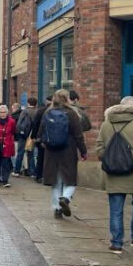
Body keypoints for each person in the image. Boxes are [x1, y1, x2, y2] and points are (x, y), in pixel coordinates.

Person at [95, 96, 133, 254]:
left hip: (113, 172)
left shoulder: (107, 124)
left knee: (115, 209)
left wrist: (109, 159)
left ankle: (116, 243)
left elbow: (99, 148)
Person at [37, 90, 87, 219]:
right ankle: (65, 198)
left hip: (51, 151)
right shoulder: (72, 114)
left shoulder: (47, 113)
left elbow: (41, 132)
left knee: (56, 182)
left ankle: (57, 209)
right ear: (67, 99)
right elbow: (78, 135)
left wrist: (43, 142)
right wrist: (83, 151)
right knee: (70, 179)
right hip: (68, 150)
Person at [30, 96, 52, 183]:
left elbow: (35, 124)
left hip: (42, 138)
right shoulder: (56, 110)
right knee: (50, 158)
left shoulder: (41, 110)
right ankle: (48, 177)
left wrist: (34, 136)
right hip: (52, 139)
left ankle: (39, 175)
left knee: (40, 157)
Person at [15, 97, 37, 177]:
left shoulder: (25, 111)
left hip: (23, 135)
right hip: (32, 136)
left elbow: (19, 123)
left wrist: (18, 132)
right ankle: (32, 172)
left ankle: (17, 170)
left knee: (20, 153)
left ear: (28, 103)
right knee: (31, 154)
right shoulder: (37, 111)